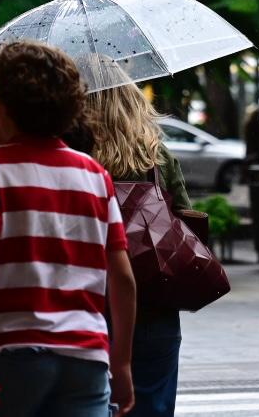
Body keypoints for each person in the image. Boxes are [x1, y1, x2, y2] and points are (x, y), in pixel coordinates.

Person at [0, 41, 136, 417]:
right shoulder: (94, 174)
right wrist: (121, 364)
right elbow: (122, 278)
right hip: (86, 359)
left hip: (11, 350)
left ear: (4, 105)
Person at [86, 78, 190, 417]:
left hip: (94, 307)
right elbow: (187, 226)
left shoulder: (78, 162)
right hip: (155, 306)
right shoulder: (158, 159)